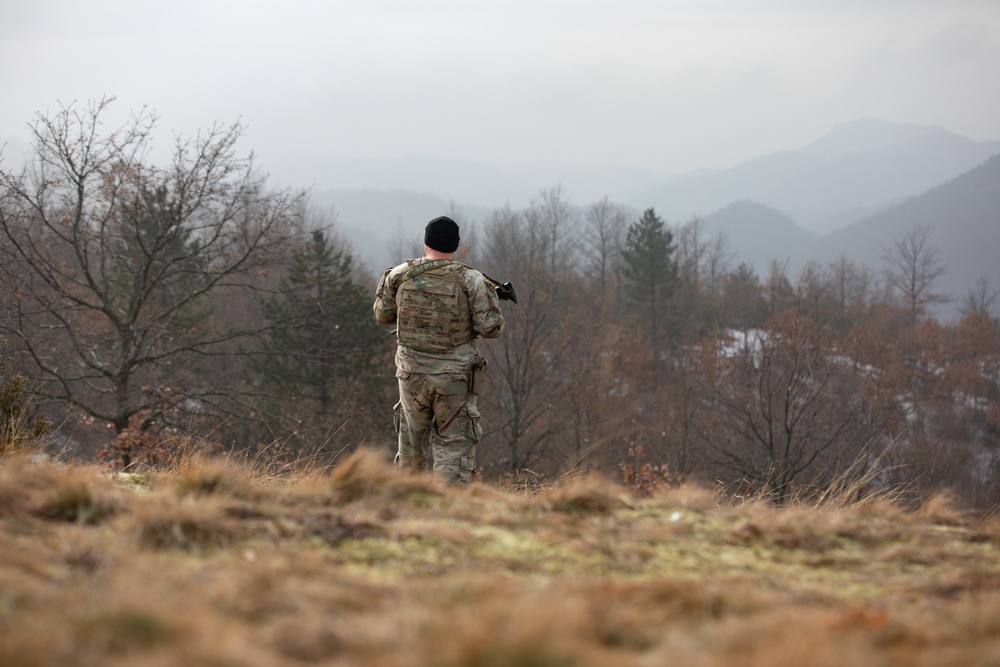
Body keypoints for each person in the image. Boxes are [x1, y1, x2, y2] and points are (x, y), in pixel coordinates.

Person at [373, 216, 505, 484]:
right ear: (455, 246)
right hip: (453, 379)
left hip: (411, 376)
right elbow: (491, 328)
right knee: (453, 449)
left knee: (410, 445)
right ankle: (447, 512)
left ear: (426, 243)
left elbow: (382, 314)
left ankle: (408, 504)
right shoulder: (472, 280)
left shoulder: (399, 274)